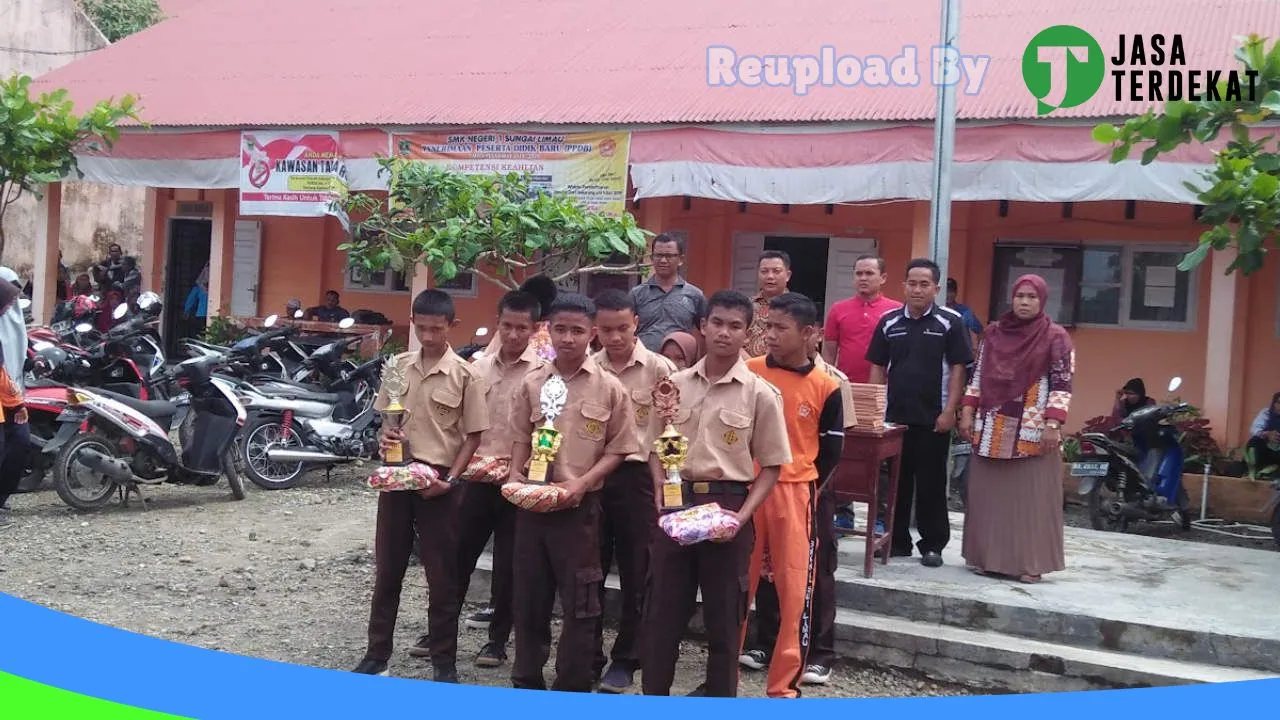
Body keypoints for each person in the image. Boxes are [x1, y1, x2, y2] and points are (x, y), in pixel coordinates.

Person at [639, 289, 791, 698]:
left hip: (728, 507)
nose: (724, 333)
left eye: (735, 326)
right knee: (661, 615)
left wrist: (741, 518)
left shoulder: (760, 394)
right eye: (717, 323)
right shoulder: (672, 386)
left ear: (747, 333)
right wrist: (659, 486)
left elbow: (772, 466)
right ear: (702, 327)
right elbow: (654, 446)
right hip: (676, 502)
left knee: (725, 621)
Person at [352, 289, 489, 681]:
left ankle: (443, 663)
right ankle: (377, 654)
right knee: (388, 571)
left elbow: (473, 436)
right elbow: (387, 421)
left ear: (451, 326)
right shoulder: (397, 367)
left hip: (441, 486)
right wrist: (386, 439)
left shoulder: (466, 375)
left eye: (436, 329)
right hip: (398, 481)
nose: (428, 337)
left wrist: (450, 480)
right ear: (413, 324)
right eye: (422, 328)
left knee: (442, 577)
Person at [506, 293, 638, 693]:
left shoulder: (610, 389)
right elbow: (519, 439)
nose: (568, 338)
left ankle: (573, 685)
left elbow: (619, 448)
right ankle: (526, 681)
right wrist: (514, 477)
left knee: (581, 604)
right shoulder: (531, 383)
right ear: (548, 330)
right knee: (529, 599)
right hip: (532, 508)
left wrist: (581, 483)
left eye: (577, 331)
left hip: (580, 512)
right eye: (560, 329)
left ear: (592, 335)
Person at [417, 290, 545, 671]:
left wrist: (522, 471)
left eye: (522, 328)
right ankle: (439, 632)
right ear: (498, 323)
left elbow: (546, 433)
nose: (513, 334)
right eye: (507, 325)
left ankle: (497, 640)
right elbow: (460, 425)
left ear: (535, 329)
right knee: (456, 557)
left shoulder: (543, 375)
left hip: (516, 482)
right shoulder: (474, 368)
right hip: (473, 477)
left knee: (509, 565)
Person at [742, 292, 843, 699]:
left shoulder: (826, 386)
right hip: (746, 490)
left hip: (794, 493)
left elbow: (831, 451)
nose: (769, 335)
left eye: (780, 328)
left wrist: (806, 490)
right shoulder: (748, 372)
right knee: (737, 583)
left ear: (809, 334)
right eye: (767, 326)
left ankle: (785, 685)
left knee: (794, 587)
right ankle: (720, 679)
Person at [959, 274, 1074, 584]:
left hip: (1032, 430)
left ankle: (1030, 563)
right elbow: (978, 376)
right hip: (992, 427)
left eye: (1031, 297)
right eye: (1020, 296)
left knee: (1032, 501)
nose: (1024, 302)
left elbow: (1063, 384)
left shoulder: (1055, 336)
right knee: (990, 498)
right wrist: (967, 412)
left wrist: (1053, 424)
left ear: (1043, 300)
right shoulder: (994, 333)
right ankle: (989, 559)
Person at [589, 289, 677, 693]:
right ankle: (588, 653)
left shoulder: (660, 369)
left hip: (641, 479)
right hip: (594, 477)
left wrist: (667, 483)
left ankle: (626, 658)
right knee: (589, 567)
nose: (615, 337)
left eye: (622, 328)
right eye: (606, 329)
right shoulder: (588, 368)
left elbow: (669, 433)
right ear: (596, 329)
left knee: (637, 571)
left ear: (636, 324)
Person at [866, 258, 973, 568]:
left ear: (936, 289)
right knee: (895, 484)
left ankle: (933, 544)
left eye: (924, 284)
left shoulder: (950, 322)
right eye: (912, 283)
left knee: (931, 483)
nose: (917, 289)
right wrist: (875, 410)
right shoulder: (888, 321)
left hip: (933, 418)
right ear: (903, 286)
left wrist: (950, 410)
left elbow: (957, 369)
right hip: (894, 418)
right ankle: (896, 541)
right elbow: (877, 368)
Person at [822, 256, 902, 534]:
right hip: (846, 390)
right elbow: (829, 352)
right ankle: (842, 514)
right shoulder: (838, 310)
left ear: (883, 278)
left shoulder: (895, 311)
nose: (863, 278)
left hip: (883, 394)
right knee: (843, 452)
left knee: (879, 460)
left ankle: (879, 518)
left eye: (869, 273)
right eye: (858, 273)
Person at [630, 233, 706, 353]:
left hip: (679, 366)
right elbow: (625, 330)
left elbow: (706, 332)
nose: (663, 260)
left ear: (680, 260)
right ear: (651, 258)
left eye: (669, 256)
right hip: (644, 364)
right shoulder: (636, 294)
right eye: (658, 255)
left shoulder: (695, 295)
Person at [0, 279, 29, 527]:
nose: (11, 305)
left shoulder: (12, 325)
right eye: (8, 299)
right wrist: (17, 403)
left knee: (18, 443)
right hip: (7, 399)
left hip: (8, 400)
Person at [744, 250, 793, 358]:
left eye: (776, 271)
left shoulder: (797, 307)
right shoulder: (745, 306)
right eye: (764, 271)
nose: (770, 276)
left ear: (788, 275)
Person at [1247, 392, 1280, 476]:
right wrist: (1267, 434)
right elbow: (1254, 429)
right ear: (1274, 403)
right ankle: (1253, 470)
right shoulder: (1266, 413)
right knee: (1254, 442)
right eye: (1279, 403)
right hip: (1266, 448)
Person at [945, 278, 984, 346]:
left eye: (952, 291)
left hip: (961, 353)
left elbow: (980, 331)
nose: (949, 294)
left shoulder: (965, 311)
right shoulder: (935, 310)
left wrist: (979, 353)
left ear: (956, 293)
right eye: (947, 291)